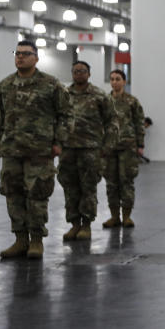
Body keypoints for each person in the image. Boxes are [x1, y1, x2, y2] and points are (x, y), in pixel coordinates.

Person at [0, 40, 70, 260]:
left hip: (40, 151)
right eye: (17, 53)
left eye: (26, 54)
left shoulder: (51, 84)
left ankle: (36, 240)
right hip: (11, 152)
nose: (20, 57)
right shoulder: (5, 85)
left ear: (36, 58)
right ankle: (20, 239)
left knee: (37, 195)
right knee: (13, 195)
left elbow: (66, 114)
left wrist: (59, 142)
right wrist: (0, 140)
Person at [58, 61, 115, 242]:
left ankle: (86, 225)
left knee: (88, 188)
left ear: (89, 74)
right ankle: (74, 224)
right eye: (75, 71)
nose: (79, 74)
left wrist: (107, 147)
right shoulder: (63, 95)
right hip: (67, 150)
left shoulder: (99, 95)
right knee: (70, 188)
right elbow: (55, 118)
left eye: (82, 71)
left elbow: (112, 122)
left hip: (90, 150)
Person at [102, 69, 145, 229]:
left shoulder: (132, 101)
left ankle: (127, 216)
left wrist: (140, 145)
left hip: (128, 147)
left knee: (126, 181)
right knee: (111, 183)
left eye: (118, 79)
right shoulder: (104, 101)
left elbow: (139, 123)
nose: (114, 82)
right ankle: (114, 216)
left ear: (124, 81)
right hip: (109, 148)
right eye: (112, 79)